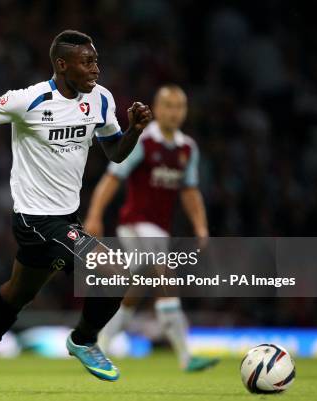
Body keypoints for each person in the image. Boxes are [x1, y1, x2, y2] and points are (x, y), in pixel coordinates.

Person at [0, 30, 152, 392]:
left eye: (96, 60)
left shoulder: (100, 100)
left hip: (67, 217)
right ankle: (83, 340)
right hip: (35, 219)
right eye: (87, 62)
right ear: (62, 65)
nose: (96, 69)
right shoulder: (30, 100)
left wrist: (133, 132)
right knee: (115, 272)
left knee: (17, 293)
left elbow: (115, 153)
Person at [83, 85, 219, 372]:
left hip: (160, 230)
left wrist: (201, 225)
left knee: (135, 289)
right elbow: (113, 177)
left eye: (179, 106)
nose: (174, 112)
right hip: (136, 224)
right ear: (157, 109)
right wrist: (95, 215)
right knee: (164, 275)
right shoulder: (144, 142)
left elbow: (190, 191)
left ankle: (99, 342)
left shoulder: (186, 148)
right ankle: (185, 356)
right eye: (168, 106)